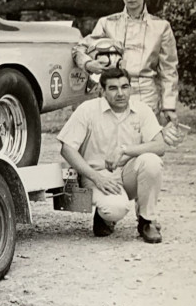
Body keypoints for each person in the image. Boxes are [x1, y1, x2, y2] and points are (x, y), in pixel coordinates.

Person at [57, 67, 167, 243]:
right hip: (96, 176)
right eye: (113, 88)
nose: (120, 93)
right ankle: (105, 217)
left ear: (130, 88)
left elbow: (159, 146)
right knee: (115, 208)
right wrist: (96, 178)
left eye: (125, 87)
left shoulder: (142, 110)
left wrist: (124, 150)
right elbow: (67, 148)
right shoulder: (88, 109)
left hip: (127, 173)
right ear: (102, 91)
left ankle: (147, 221)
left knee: (151, 161)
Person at [73, 0, 179, 125]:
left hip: (146, 95)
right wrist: (89, 64)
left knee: (144, 145)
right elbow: (78, 49)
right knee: (109, 144)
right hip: (111, 92)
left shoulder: (161, 27)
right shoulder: (107, 23)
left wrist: (169, 106)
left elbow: (169, 70)